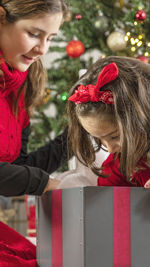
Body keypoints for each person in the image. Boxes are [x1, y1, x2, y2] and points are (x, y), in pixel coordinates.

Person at [0, 0, 70, 265]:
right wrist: (43, 182)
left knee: (36, 258)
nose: (43, 49)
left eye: (50, 38)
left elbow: (16, 167)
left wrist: (76, 138)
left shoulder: (18, 93)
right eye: (34, 34)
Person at [67, 56, 150, 188]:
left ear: (142, 115)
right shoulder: (116, 168)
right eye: (97, 139)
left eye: (114, 136)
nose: (110, 149)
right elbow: (110, 205)